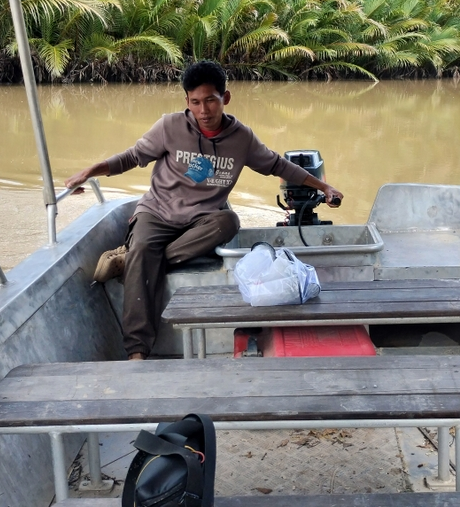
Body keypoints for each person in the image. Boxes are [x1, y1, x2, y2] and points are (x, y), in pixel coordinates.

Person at [65, 60, 343, 361]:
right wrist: (90, 171)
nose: (204, 111)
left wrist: (324, 187)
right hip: (157, 211)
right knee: (145, 246)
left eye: (211, 100)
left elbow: (278, 165)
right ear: (187, 101)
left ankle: (132, 259)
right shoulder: (169, 127)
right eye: (195, 102)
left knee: (228, 221)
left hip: (202, 219)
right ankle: (137, 352)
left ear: (225, 98)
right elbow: (132, 156)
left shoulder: (241, 138)